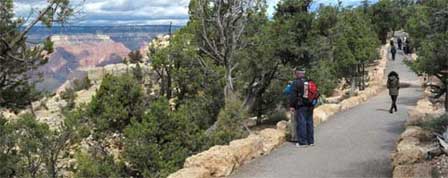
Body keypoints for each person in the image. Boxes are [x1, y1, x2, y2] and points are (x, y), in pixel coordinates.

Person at [289, 68, 315, 148]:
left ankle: (302, 142)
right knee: (309, 122)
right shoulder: (309, 81)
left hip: (301, 106)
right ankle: (311, 141)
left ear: (297, 74)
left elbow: (293, 96)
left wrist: (292, 106)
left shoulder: (295, 83)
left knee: (301, 122)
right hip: (310, 105)